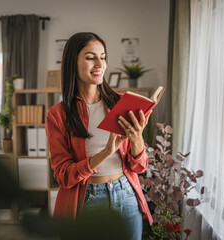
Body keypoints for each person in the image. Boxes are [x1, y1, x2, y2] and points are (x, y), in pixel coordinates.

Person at [45, 32, 153, 240]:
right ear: (72, 62)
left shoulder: (121, 103)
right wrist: (105, 153)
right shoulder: (58, 114)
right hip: (86, 201)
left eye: (102, 57)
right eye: (90, 57)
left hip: (126, 194)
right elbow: (63, 175)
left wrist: (137, 138)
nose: (99, 64)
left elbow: (139, 167)